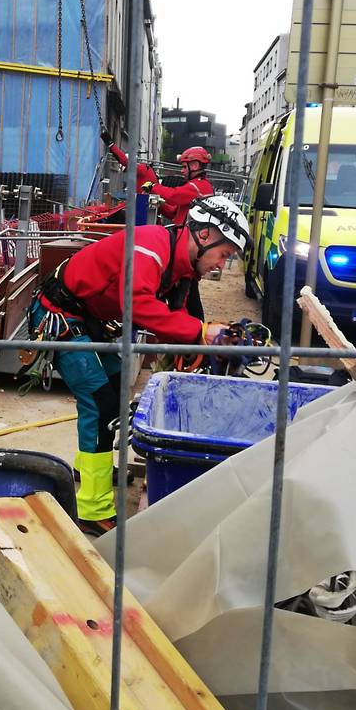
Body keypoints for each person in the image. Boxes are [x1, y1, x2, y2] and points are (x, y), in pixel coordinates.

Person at [29, 195, 252, 536]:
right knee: (100, 403)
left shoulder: (181, 269)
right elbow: (136, 303)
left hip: (88, 319)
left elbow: (183, 317)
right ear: (205, 235)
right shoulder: (151, 246)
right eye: (224, 255)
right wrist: (201, 333)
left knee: (117, 390)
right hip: (60, 315)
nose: (221, 265)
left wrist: (205, 338)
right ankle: (92, 508)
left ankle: (88, 467)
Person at [102, 134, 218, 320]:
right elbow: (174, 211)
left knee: (186, 296)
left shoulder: (199, 187)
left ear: (195, 166)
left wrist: (154, 187)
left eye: (184, 167)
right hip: (183, 246)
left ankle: (193, 334)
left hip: (187, 249)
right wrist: (156, 203)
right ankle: (188, 333)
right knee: (181, 294)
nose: (181, 171)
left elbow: (174, 196)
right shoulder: (194, 187)